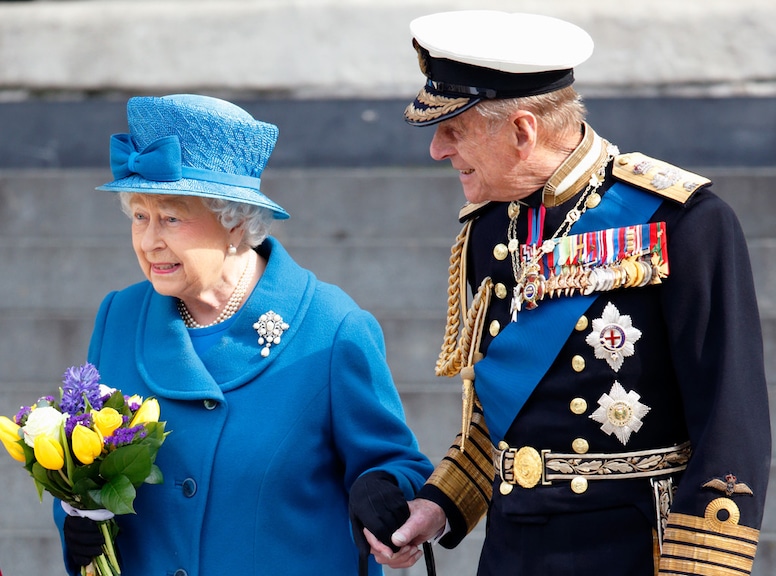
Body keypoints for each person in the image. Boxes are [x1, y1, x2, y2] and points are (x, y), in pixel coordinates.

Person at [366, 10, 771, 575]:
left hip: (633, 553)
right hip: (513, 554)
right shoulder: (490, 229)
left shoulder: (684, 222)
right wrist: (436, 507)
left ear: (522, 131)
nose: (437, 149)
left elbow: (730, 426)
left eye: (453, 129)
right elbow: (502, 416)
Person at [51, 93, 434, 576]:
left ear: (233, 222)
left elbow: (398, 466)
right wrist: (76, 521)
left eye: (171, 218)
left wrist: (382, 490)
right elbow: (82, 463)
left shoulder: (332, 329)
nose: (149, 242)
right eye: (140, 217)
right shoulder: (119, 317)